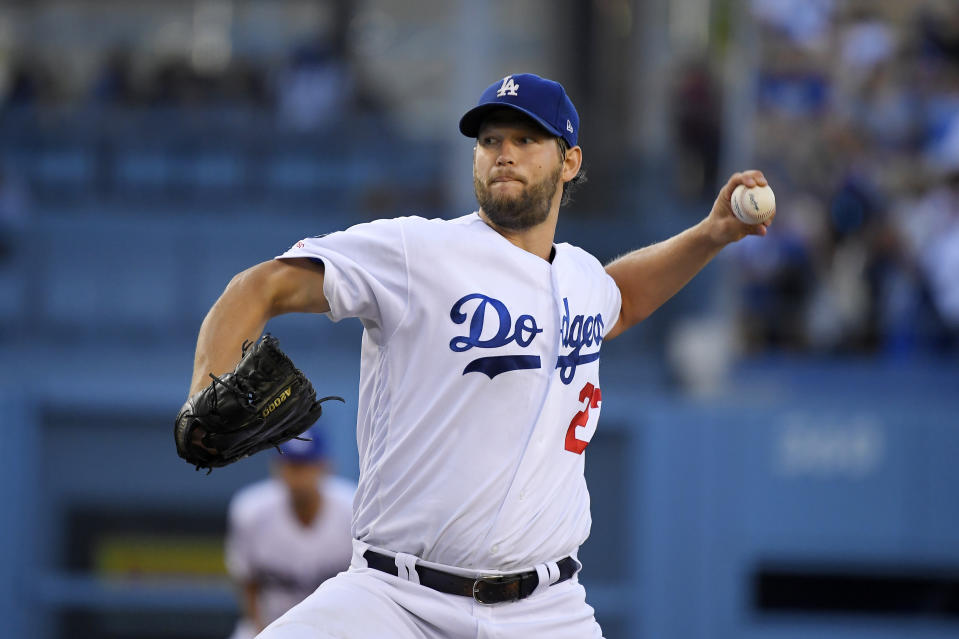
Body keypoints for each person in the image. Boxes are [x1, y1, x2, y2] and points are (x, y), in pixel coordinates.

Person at [187, 72, 773, 638]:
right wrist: (203, 390)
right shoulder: (418, 250)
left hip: (546, 611)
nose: (504, 153)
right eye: (490, 140)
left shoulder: (579, 277)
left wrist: (711, 233)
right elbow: (259, 287)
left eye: (526, 139)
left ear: (569, 161)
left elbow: (619, 304)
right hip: (393, 599)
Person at [224, 426, 355, 639]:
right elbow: (247, 581)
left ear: (325, 466)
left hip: (336, 629)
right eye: (292, 466)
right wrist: (261, 631)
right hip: (270, 625)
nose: (299, 477)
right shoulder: (251, 511)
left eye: (307, 466)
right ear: (277, 468)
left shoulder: (352, 511)